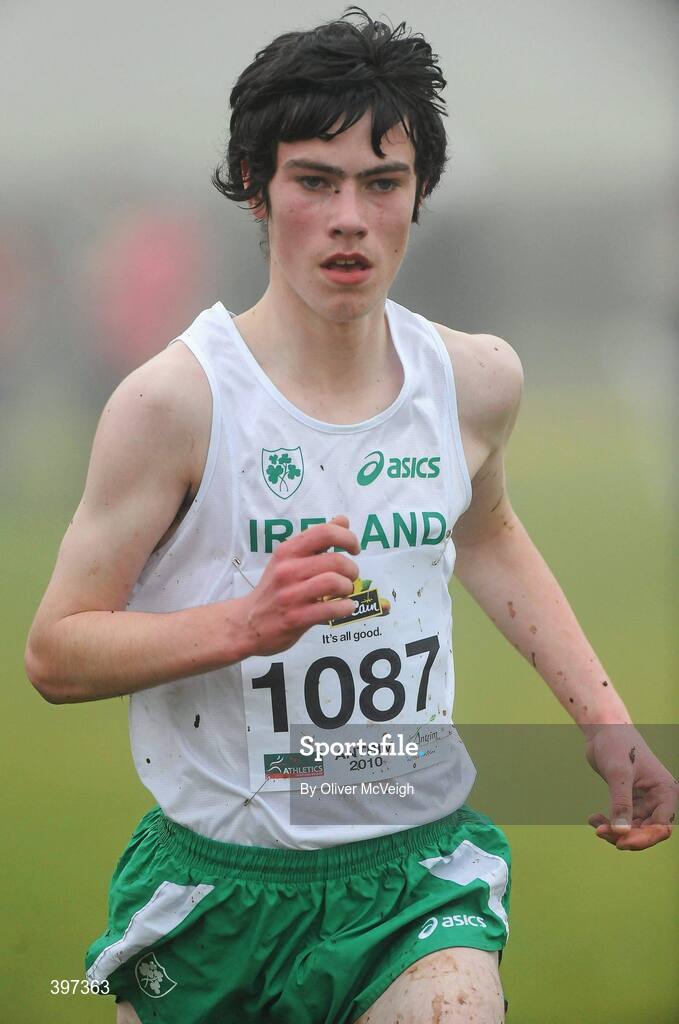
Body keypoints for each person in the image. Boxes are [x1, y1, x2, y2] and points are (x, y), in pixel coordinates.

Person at [25, 8, 676, 1024]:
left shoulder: (474, 379)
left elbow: (486, 533)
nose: (350, 218)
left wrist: (602, 722)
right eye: (314, 181)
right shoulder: (172, 405)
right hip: (216, 890)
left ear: (420, 196)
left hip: (412, 874)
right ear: (254, 184)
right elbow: (56, 654)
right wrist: (247, 622)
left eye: (383, 183)